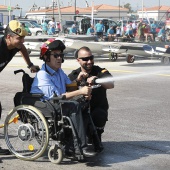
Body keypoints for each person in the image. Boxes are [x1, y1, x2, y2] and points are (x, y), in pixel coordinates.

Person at [30, 39, 97, 157]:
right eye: (55, 55)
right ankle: (80, 148)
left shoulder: (58, 71)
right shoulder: (43, 74)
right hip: (47, 106)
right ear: (46, 57)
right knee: (74, 106)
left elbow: (68, 85)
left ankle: (73, 144)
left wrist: (78, 81)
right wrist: (80, 91)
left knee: (84, 101)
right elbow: (56, 97)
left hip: (57, 103)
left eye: (61, 55)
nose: (59, 58)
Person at [0, 20, 39, 155]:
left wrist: (30, 65)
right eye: (19, 38)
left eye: (23, 38)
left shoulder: (16, 46)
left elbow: (21, 48)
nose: (22, 41)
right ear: (8, 37)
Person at [68, 46, 114, 144]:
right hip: (80, 112)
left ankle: (96, 135)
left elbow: (111, 84)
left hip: (96, 111)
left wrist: (96, 80)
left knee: (99, 114)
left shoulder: (100, 71)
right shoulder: (74, 74)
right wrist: (77, 81)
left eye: (91, 58)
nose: (89, 61)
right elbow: (66, 91)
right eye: (85, 59)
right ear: (78, 60)